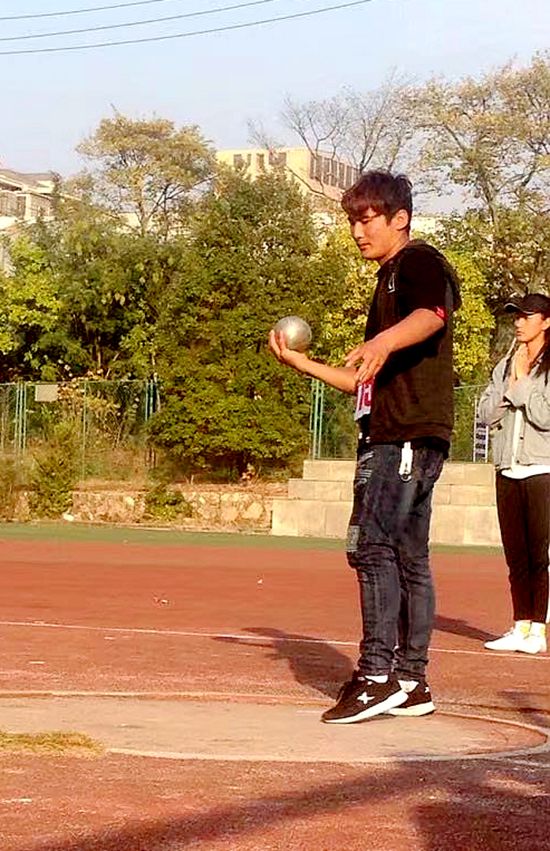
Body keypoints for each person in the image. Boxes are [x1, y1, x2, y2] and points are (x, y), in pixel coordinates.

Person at [268, 170, 461, 723]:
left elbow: (432, 315)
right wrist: (303, 363)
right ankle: (411, 682)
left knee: (372, 547)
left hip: (404, 436)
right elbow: (362, 382)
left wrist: (382, 339)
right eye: (352, 220)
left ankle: (377, 676)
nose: (357, 230)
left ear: (400, 218)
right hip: (396, 431)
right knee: (407, 556)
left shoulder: (419, 262)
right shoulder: (387, 281)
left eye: (367, 219)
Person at [478, 293, 550, 655]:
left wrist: (520, 386)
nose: (519, 323)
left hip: (542, 468)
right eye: (516, 316)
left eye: (527, 316)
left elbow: (546, 416)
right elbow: (485, 413)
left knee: (540, 555)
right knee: (515, 555)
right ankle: (520, 625)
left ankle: (538, 629)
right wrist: (510, 387)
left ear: (546, 322)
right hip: (507, 468)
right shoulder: (505, 364)